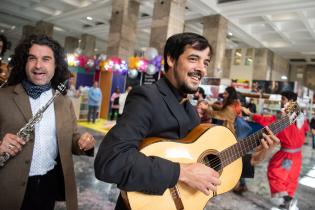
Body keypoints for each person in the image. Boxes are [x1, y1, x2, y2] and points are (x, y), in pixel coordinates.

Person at [94, 32, 279, 210]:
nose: (202, 68)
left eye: (205, 62)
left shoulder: (189, 110)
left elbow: (199, 160)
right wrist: (182, 172)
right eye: (193, 59)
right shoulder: (147, 97)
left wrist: (253, 160)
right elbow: (110, 161)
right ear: (171, 59)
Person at [0, 35, 96, 210]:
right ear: (24, 62)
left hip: (48, 183)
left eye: (46, 59)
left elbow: (72, 138)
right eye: (32, 58)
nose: (38, 65)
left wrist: (83, 142)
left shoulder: (64, 101)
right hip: (8, 187)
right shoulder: (3, 96)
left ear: (55, 65)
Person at [243, 91, 308, 210]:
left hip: (286, 155)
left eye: (283, 99)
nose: (281, 102)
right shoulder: (301, 116)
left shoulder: (284, 118)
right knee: (290, 178)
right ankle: (288, 201)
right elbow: (305, 130)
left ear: (290, 102)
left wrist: (250, 114)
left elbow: (266, 121)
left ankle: (286, 202)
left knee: (275, 173)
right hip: (297, 155)